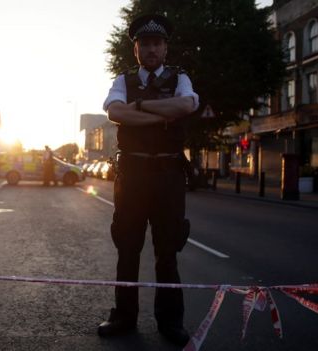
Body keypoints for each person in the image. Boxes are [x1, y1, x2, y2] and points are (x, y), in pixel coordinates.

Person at [98, 14, 199, 347]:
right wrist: (160, 113)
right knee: (127, 249)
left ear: (165, 48)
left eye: (157, 43)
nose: (151, 49)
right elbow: (115, 112)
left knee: (167, 252)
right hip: (132, 175)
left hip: (169, 176)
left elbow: (185, 105)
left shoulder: (180, 77)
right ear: (136, 50)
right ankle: (124, 317)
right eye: (145, 44)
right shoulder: (122, 80)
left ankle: (170, 322)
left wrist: (138, 107)